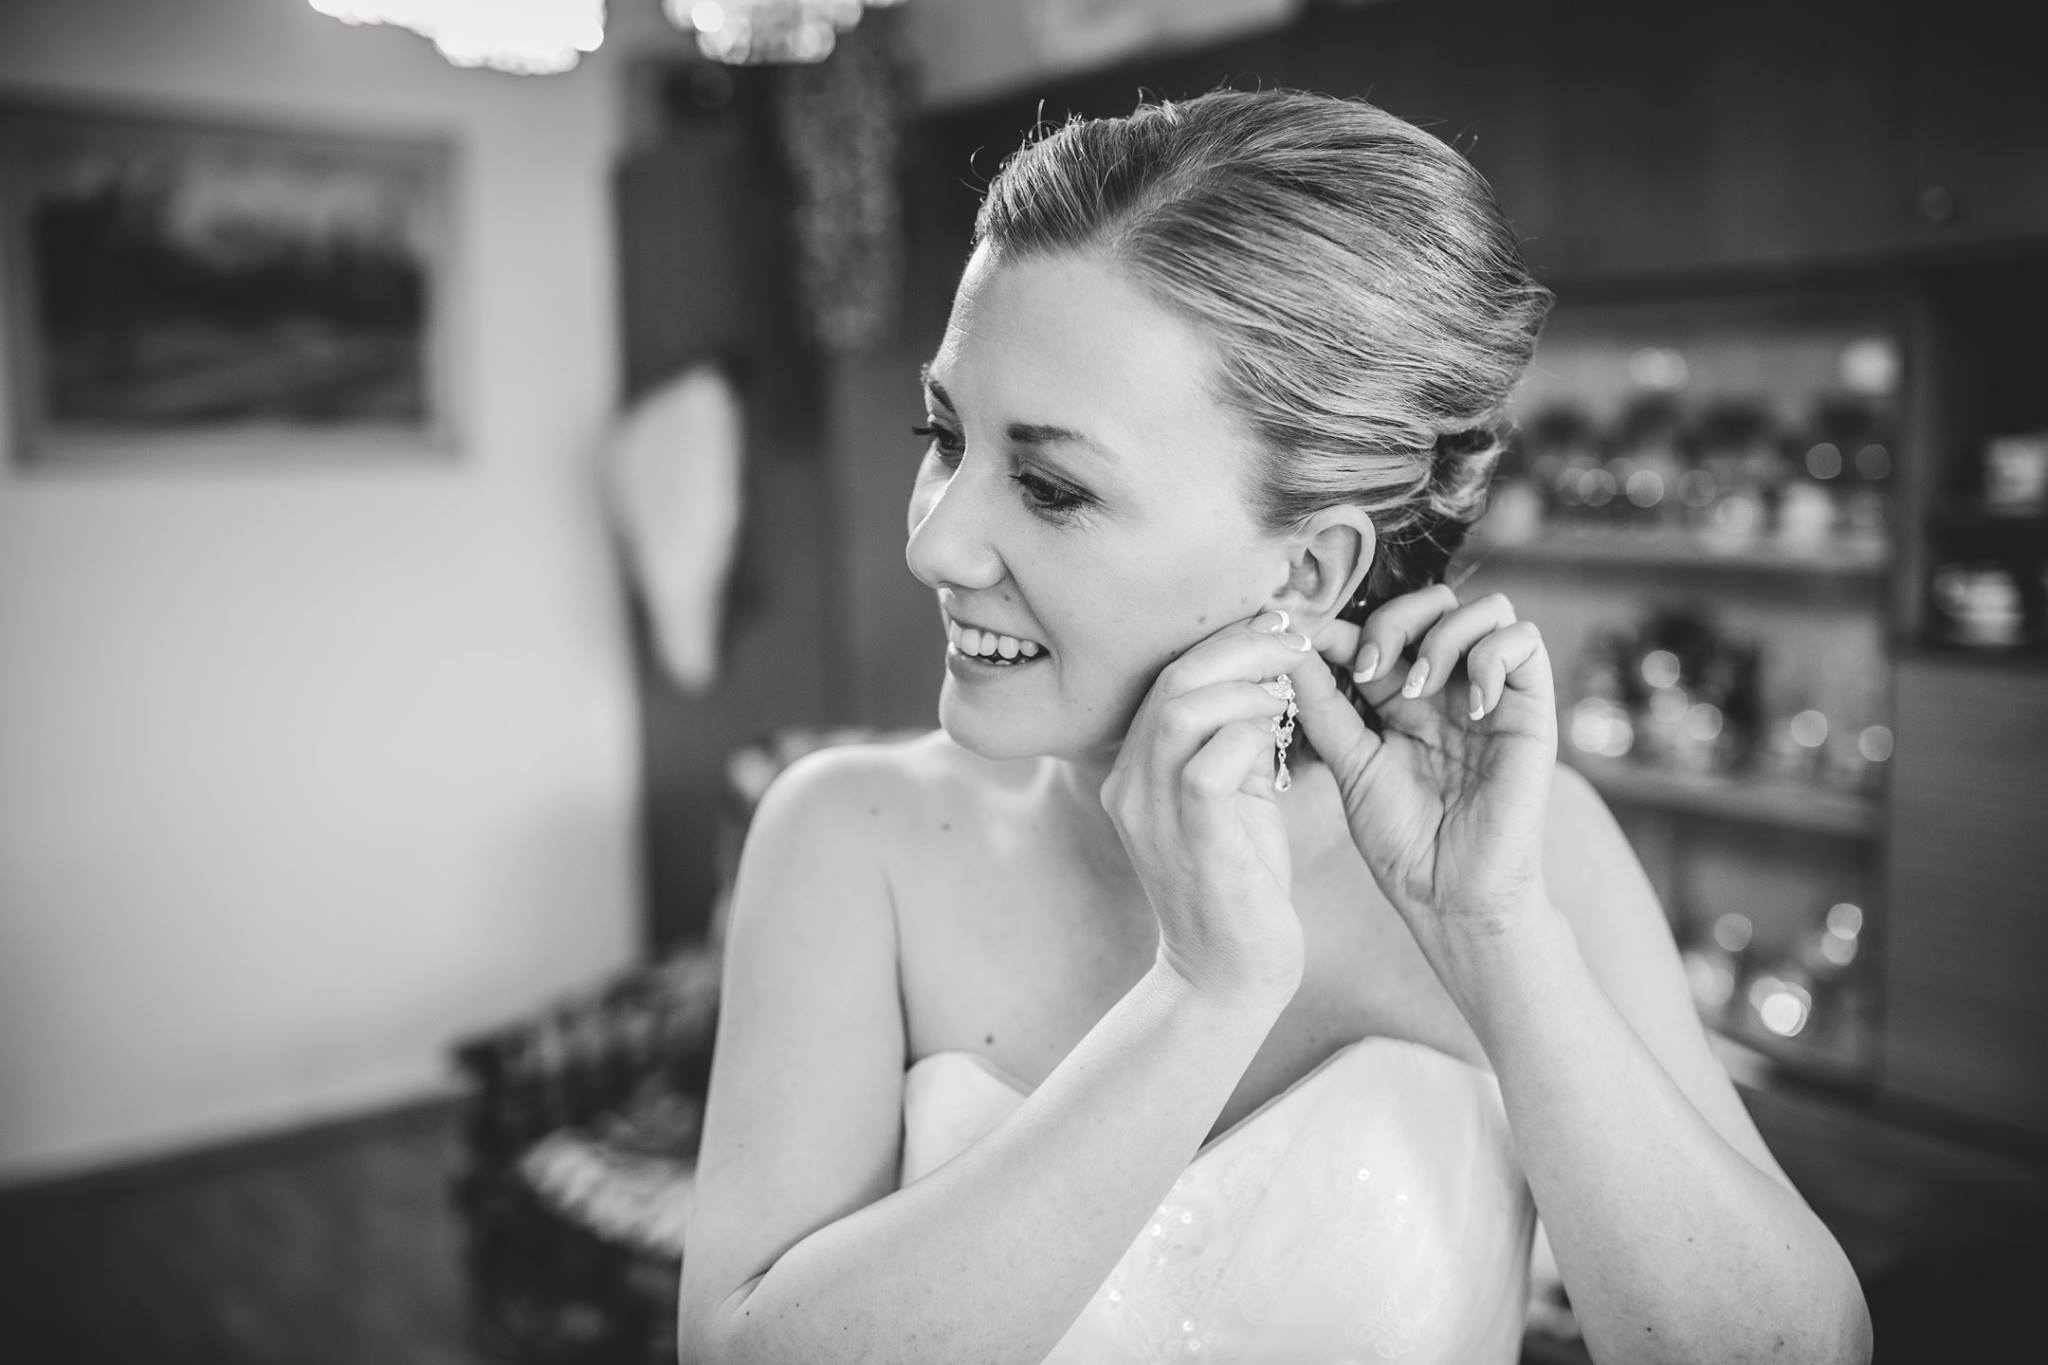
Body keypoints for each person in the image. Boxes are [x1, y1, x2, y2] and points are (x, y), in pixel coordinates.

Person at [675, 89, 1872, 1365]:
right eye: (943, 435)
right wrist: (1202, 998)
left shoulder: (1532, 856)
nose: (934, 544)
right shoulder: (845, 837)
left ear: (1307, 573)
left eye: (1049, 485)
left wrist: (1492, 936)